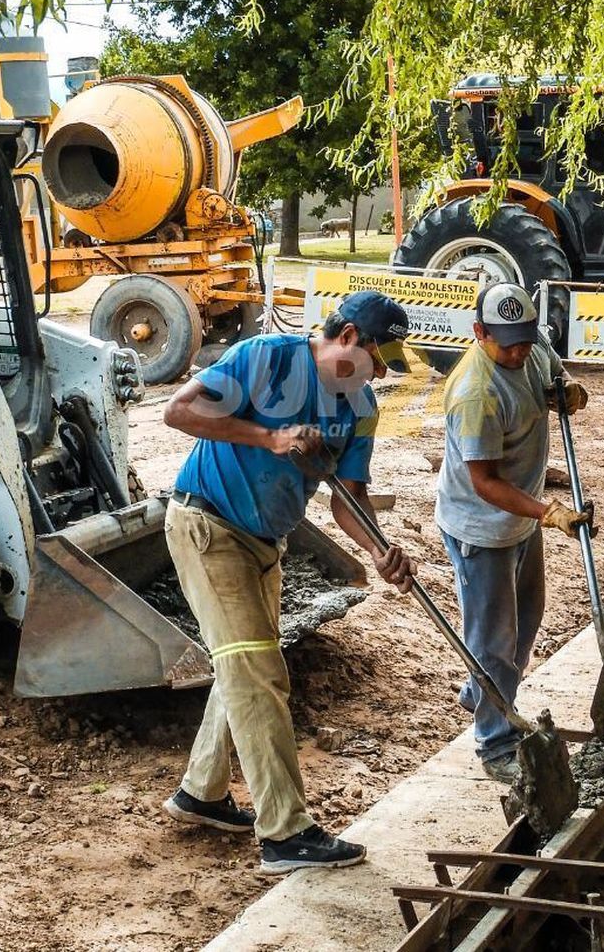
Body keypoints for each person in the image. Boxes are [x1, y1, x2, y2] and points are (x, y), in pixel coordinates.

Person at [160, 291, 417, 874]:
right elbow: (177, 412)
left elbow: (347, 500)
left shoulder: (360, 408)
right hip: (207, 524)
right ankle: (286, 834)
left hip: (265, 541)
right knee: (257, 669)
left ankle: (199, 794)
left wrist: (381, 551)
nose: (378, 374)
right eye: (378, 360)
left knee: (244, 666)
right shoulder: (266, 359)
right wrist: (268, 437)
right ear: (348, 337)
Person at [435, 282, 590, 784]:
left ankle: (483, 689)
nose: (520, 351)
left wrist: (569, 394)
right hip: (480, 527)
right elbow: (484, 482)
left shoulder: (531, 343)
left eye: (525, 340)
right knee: (495, 639)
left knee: (527, 621)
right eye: (509, 344)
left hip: (523, 516)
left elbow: (561, 384)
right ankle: (494, 740)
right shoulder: (474, 393)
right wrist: (548, 513)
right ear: (479, 333)